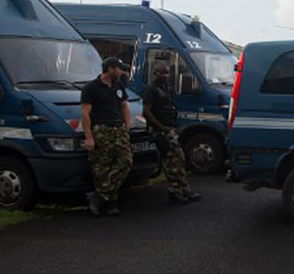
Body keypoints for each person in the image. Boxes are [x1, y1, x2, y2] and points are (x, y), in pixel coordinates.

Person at [142, 62, 202, 205]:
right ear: (155, 73)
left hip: (170, 128)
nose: (165, 76)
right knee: (171, 161)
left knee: (179, 160)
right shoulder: (151, 90)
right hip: (162, 130)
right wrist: (160, 127)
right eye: (161, 73)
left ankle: (184, 189)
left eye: (167, 73)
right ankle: (174, 192)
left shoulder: (166, 89)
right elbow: (146, 111)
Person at [80, 57, 134, 216]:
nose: (122, 72)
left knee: (125, 162)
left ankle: (98, 196)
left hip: (118, 130)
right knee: (102, 168)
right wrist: (89, 137)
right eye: (119, 69)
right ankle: (110, 202)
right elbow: (85, 113)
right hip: (102, 130)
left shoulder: (118, 86)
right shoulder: (91, 88)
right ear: (110, 69)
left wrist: (127, 126)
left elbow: (124, 106)